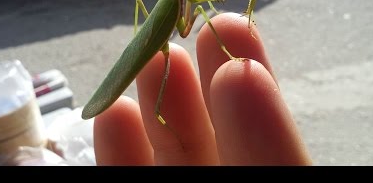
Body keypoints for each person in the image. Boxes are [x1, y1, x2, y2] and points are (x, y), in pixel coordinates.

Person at [93, 12, 312, 166]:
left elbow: (184, 28)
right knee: (157, 108)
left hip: (154, 49)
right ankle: (223, 46)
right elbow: (185, 28)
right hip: (152, 50)